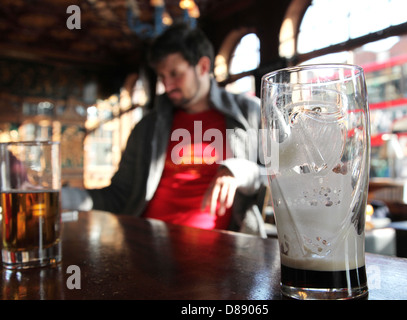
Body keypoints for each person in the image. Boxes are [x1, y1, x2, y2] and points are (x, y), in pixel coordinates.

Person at [62, 23, 267, 236]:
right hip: (147, 246)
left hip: (223, 253)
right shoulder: (147, 127)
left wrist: (240, 171)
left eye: (175, 74)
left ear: (203, 67)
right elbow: (118, 196)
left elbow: (285, 176)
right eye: (162, 77)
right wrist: (59, 197)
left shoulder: (250, 113)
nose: (167, 85)